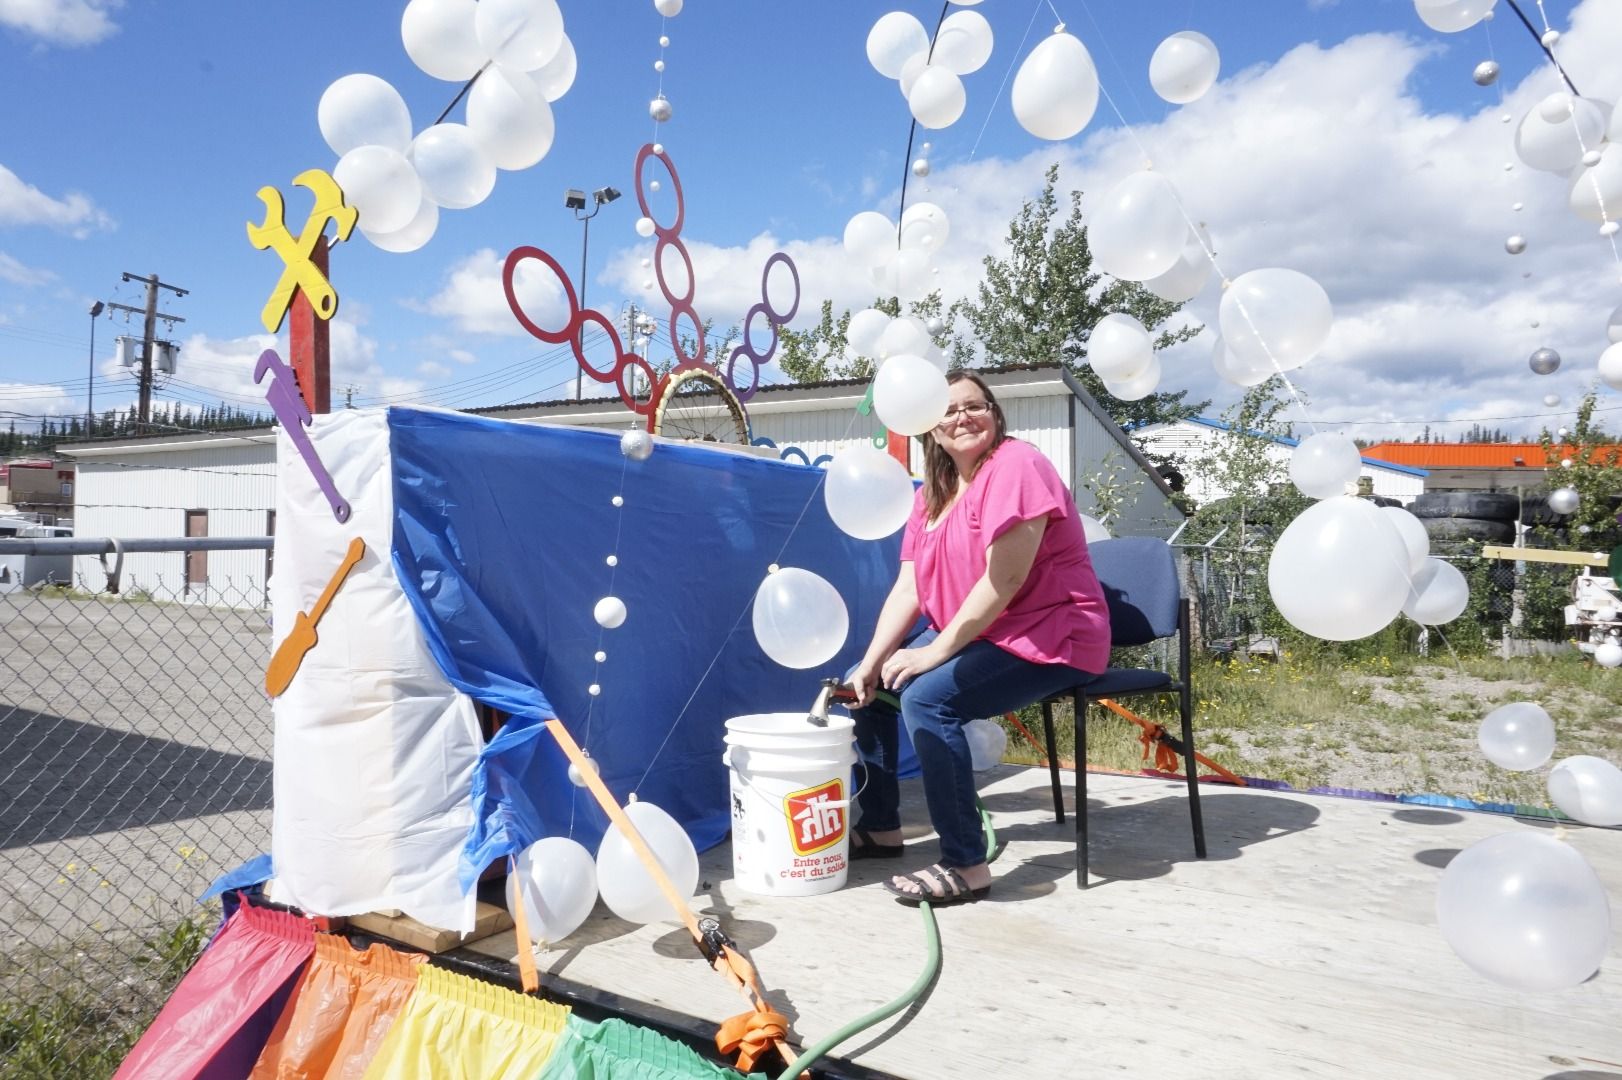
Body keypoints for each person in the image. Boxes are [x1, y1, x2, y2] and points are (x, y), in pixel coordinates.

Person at [847, 370, 1111, 905]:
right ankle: (881, 828)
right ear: (930, 428)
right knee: (868, 693)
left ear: (994, 412)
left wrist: (934, 652)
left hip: (1054, 634)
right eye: (948, 410)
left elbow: (1005, 579)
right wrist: (871, 662)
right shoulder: (933, 496)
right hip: (988, 632)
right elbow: (909, 587)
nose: (963, 417)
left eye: (975, 405)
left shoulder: (1018, 464)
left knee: (926, 699)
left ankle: (966, 865)